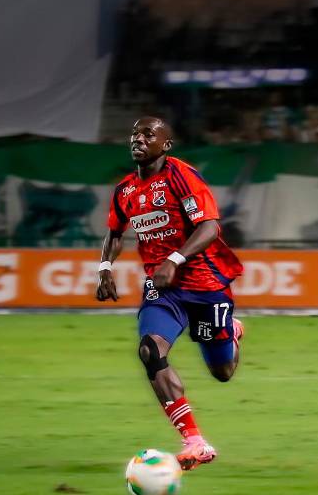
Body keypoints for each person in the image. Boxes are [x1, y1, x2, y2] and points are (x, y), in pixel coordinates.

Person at [96, 116, 245, 471]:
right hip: (164, 290)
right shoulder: (126, 191)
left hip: (206, 287)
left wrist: (175, 259)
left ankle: (233, 332)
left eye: (149, 134)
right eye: (134, 133)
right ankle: (194, 441)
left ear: (166, 145)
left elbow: (209, 226)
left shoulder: (182, 176)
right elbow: (115, 233)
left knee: (223, 371)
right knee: (150, 349)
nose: (139, 138)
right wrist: (104, 268)